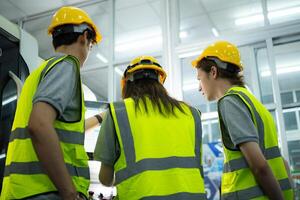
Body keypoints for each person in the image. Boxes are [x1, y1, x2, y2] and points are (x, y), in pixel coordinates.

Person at [1, 6, 103, 200]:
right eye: (92, 44)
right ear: (85, 37)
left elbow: (58, 130)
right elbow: (39, 125)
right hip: (45, 192)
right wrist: (69, 192)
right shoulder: (67, 65)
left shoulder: (38, 74)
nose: (89, 50)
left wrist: (100, 117)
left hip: (21, 191)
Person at [94, 56, 207, 199]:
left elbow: (105, 179)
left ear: (127, 84)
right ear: (160, 82)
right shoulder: (191, 113)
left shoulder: (119, 112)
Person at [191, 41, 294, 199]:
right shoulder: (251, 101)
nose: (199, 87)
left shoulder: (230, 102)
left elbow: (259, 165)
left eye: (199, 78)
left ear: (213, 72)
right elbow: (282, 162)